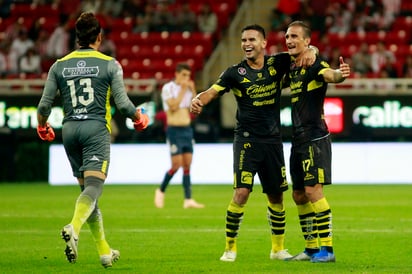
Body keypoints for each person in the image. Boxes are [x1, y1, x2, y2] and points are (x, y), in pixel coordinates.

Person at [190, 24, 317, 262]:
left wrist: (314, 50)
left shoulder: (278, 64)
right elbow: (213, 91)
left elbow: (304, 52)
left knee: (277, 197)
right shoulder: (234, 72)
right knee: (241, 193)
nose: (246, 44)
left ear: (263, 43)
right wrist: (199, 99)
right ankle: (230, 247)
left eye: (251, 39)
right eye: (243, 40)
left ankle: (277, 249)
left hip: (273, 142)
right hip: (246, 141)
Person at [36, 12, 149, 268]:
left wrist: (42, 126)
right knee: (95, 188)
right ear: (99, 36)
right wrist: (137, 117)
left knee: (87, 194)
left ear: (77, 38)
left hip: (69, 130)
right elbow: (122, 104)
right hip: (96, 129)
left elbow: (44, 106)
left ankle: (104, 251)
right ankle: (73, 228)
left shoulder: (58, 65)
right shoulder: (109, 64)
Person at [283, 20, 350, 263]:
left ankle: (328, 249)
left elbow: (329, 74)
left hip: (314, 137)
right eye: (287, 36)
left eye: (295, 37)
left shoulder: (314, 64)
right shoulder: (291, 66)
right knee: (299, 194)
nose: (289, 40)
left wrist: (339, 75)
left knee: (313, 191)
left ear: (307, 41)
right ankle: (311, 248)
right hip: (297, 139)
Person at [154, 62, 204, 209]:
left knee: (187, 164)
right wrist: (183, 89)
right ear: (177, 74)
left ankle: (188, 199)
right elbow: (173, 107)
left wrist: (193, 91)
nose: (186, 78)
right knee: (176, 165)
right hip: (174, 130)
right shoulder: (167, 88)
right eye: (184, 75)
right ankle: (161, 190)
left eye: (188, 75)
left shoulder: (188, 89)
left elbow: (195, 109)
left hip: (187, 130)